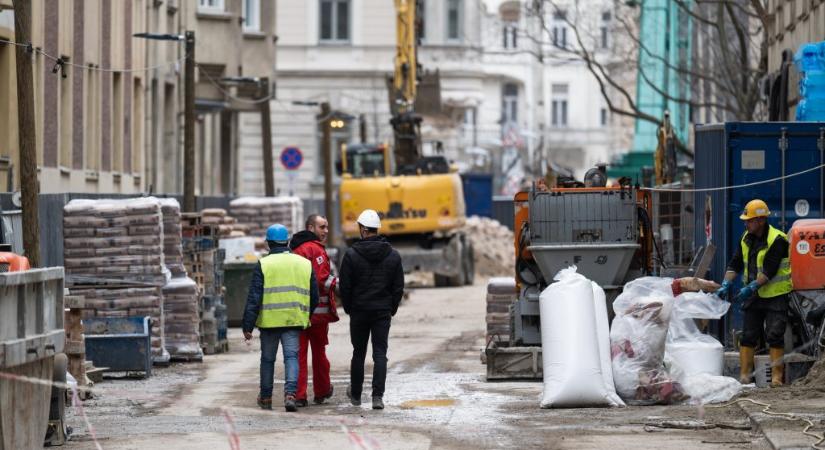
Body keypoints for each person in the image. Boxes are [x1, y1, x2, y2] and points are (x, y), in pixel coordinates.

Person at [242, 224, 319, 411]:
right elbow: (314, 296)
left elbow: (254, 297)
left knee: (267, 359)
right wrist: (305, 314)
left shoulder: (263, 264)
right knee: (291, 357)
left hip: (269, 322)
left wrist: (247, 325)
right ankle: (291, 395)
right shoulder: (303, 263)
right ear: (286, 242)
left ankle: (266, 398)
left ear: (269, 243)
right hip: (293, 320)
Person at [715, 199, 792, 387]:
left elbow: (769, 271)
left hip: (776, 295)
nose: (745, 223)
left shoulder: (778, 239)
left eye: (749, 220)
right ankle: (744, 377)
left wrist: (750, 287)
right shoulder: (746, 238)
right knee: (748, 336)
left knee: (774, 335)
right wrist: (726, 282)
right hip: (755, 296)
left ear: (760, 220)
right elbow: (736, 263)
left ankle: (776, 378)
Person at [339, 209, 404, 410]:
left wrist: (350, 308)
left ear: (363, 230)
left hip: (359, 311)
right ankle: (377, 397)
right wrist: (390, 308)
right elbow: (398, 287)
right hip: (381, 312)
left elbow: (345, 287)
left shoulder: (351, 255)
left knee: (358, 352)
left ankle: (357, 396)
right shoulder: (393, 255)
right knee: (380, 353)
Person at [289, 214, 339, 407]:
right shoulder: (315, 250)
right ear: (310, 228)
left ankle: (299, 395)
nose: (326, 231)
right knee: (319, 354)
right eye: (322, 227)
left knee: (299, 354)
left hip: (299, 313)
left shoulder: (295, 250)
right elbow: (320, 280)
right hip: (317, 315)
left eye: (326, 227)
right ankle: (322, 390)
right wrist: (338, 284)